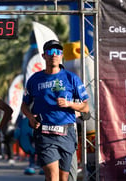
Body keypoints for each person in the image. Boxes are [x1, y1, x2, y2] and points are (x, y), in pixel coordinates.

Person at [21, 40, 89, 181]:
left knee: (64, 178)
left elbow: (85, 107)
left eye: (57, 52)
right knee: (53, 177)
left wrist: (69, 104)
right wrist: (31, 118)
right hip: (45, 133)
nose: (54, 55)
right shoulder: (35, 79)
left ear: (62, 55)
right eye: (50, 52)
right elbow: (24, 105)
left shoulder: (71, 78)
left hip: (67, 133)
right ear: (44, 55)